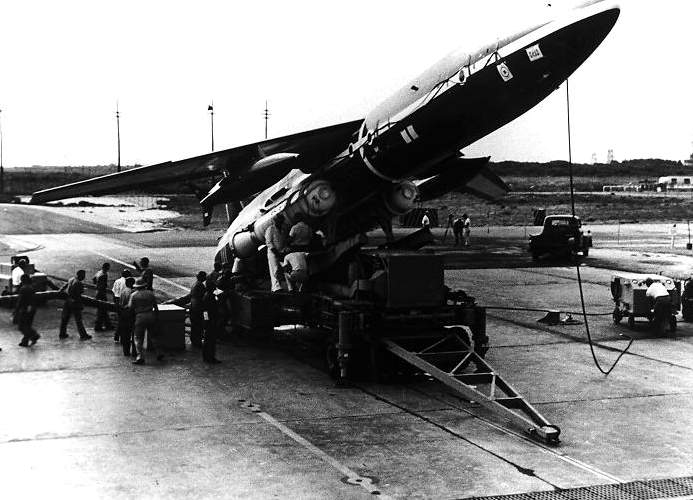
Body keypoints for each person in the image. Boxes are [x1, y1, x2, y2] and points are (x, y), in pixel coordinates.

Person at [128, 277, 161, 365]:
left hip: (140, 316)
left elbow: (130, 307)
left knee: (138, 338)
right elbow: (155, 306)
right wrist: (156, 317)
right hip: (151, 315)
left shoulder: (134, 295)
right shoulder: (150, 293)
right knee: (154, 336)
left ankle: (140, 357)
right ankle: (159, 352)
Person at [59, 270, 92, 340]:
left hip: (68, 301)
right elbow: (78, 294)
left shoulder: (71, 279)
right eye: (83, 275)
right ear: (80, 275)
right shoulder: (79, 283)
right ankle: (83, 335)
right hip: (75, 302)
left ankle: (62, 333)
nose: (84, 277)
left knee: (65, 318)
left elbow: (64, 287)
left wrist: (60, 292)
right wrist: (80, 305)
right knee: (78, 320)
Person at [14, 274, 40, 347]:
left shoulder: (23, 288)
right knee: (27, 325)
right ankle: (25, 341)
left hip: (25, 309)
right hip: (32, 308)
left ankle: (34, 335)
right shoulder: (32, 287)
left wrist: (16, 310)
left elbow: (20, 301)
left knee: (22, 326)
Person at [265, 214, 287, 292]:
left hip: (281, 251)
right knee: (275, 269)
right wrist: (276, 253)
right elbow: (269, 242)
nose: (280, 222)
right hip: (272, 252)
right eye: (279, 220)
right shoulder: (270, 229)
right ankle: (276, 288)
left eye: (281, 221)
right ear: (275, 221)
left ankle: (288, 286)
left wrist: (283, 251)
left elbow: (283, 241)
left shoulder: (283, 230)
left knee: (284, 268)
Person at [201, 276, 221, 364]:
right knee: (210, 340)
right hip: (210, 321)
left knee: (208, 340)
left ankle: (206, 356)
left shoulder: (208, 295)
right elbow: (205, 311)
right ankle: (210, 357)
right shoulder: (209, 296)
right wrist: (207, 321)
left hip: (209, 320)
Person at [118, 277, 136, 357]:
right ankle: (134, 351)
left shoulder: (123, 291)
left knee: (126, 334)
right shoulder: (132, 293)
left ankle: (126, 351)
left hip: (123, 313)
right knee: (134, 333)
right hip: (131, 314)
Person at [93, 262, 113, 333]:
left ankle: (108, 324)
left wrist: (97, 285)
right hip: (101, 293)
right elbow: (103, 286)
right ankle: (98, 326)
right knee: (102, 310)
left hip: (98, 292)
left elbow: (94, 279)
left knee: (103, 310)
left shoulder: (99, 272)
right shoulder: (104, 275)